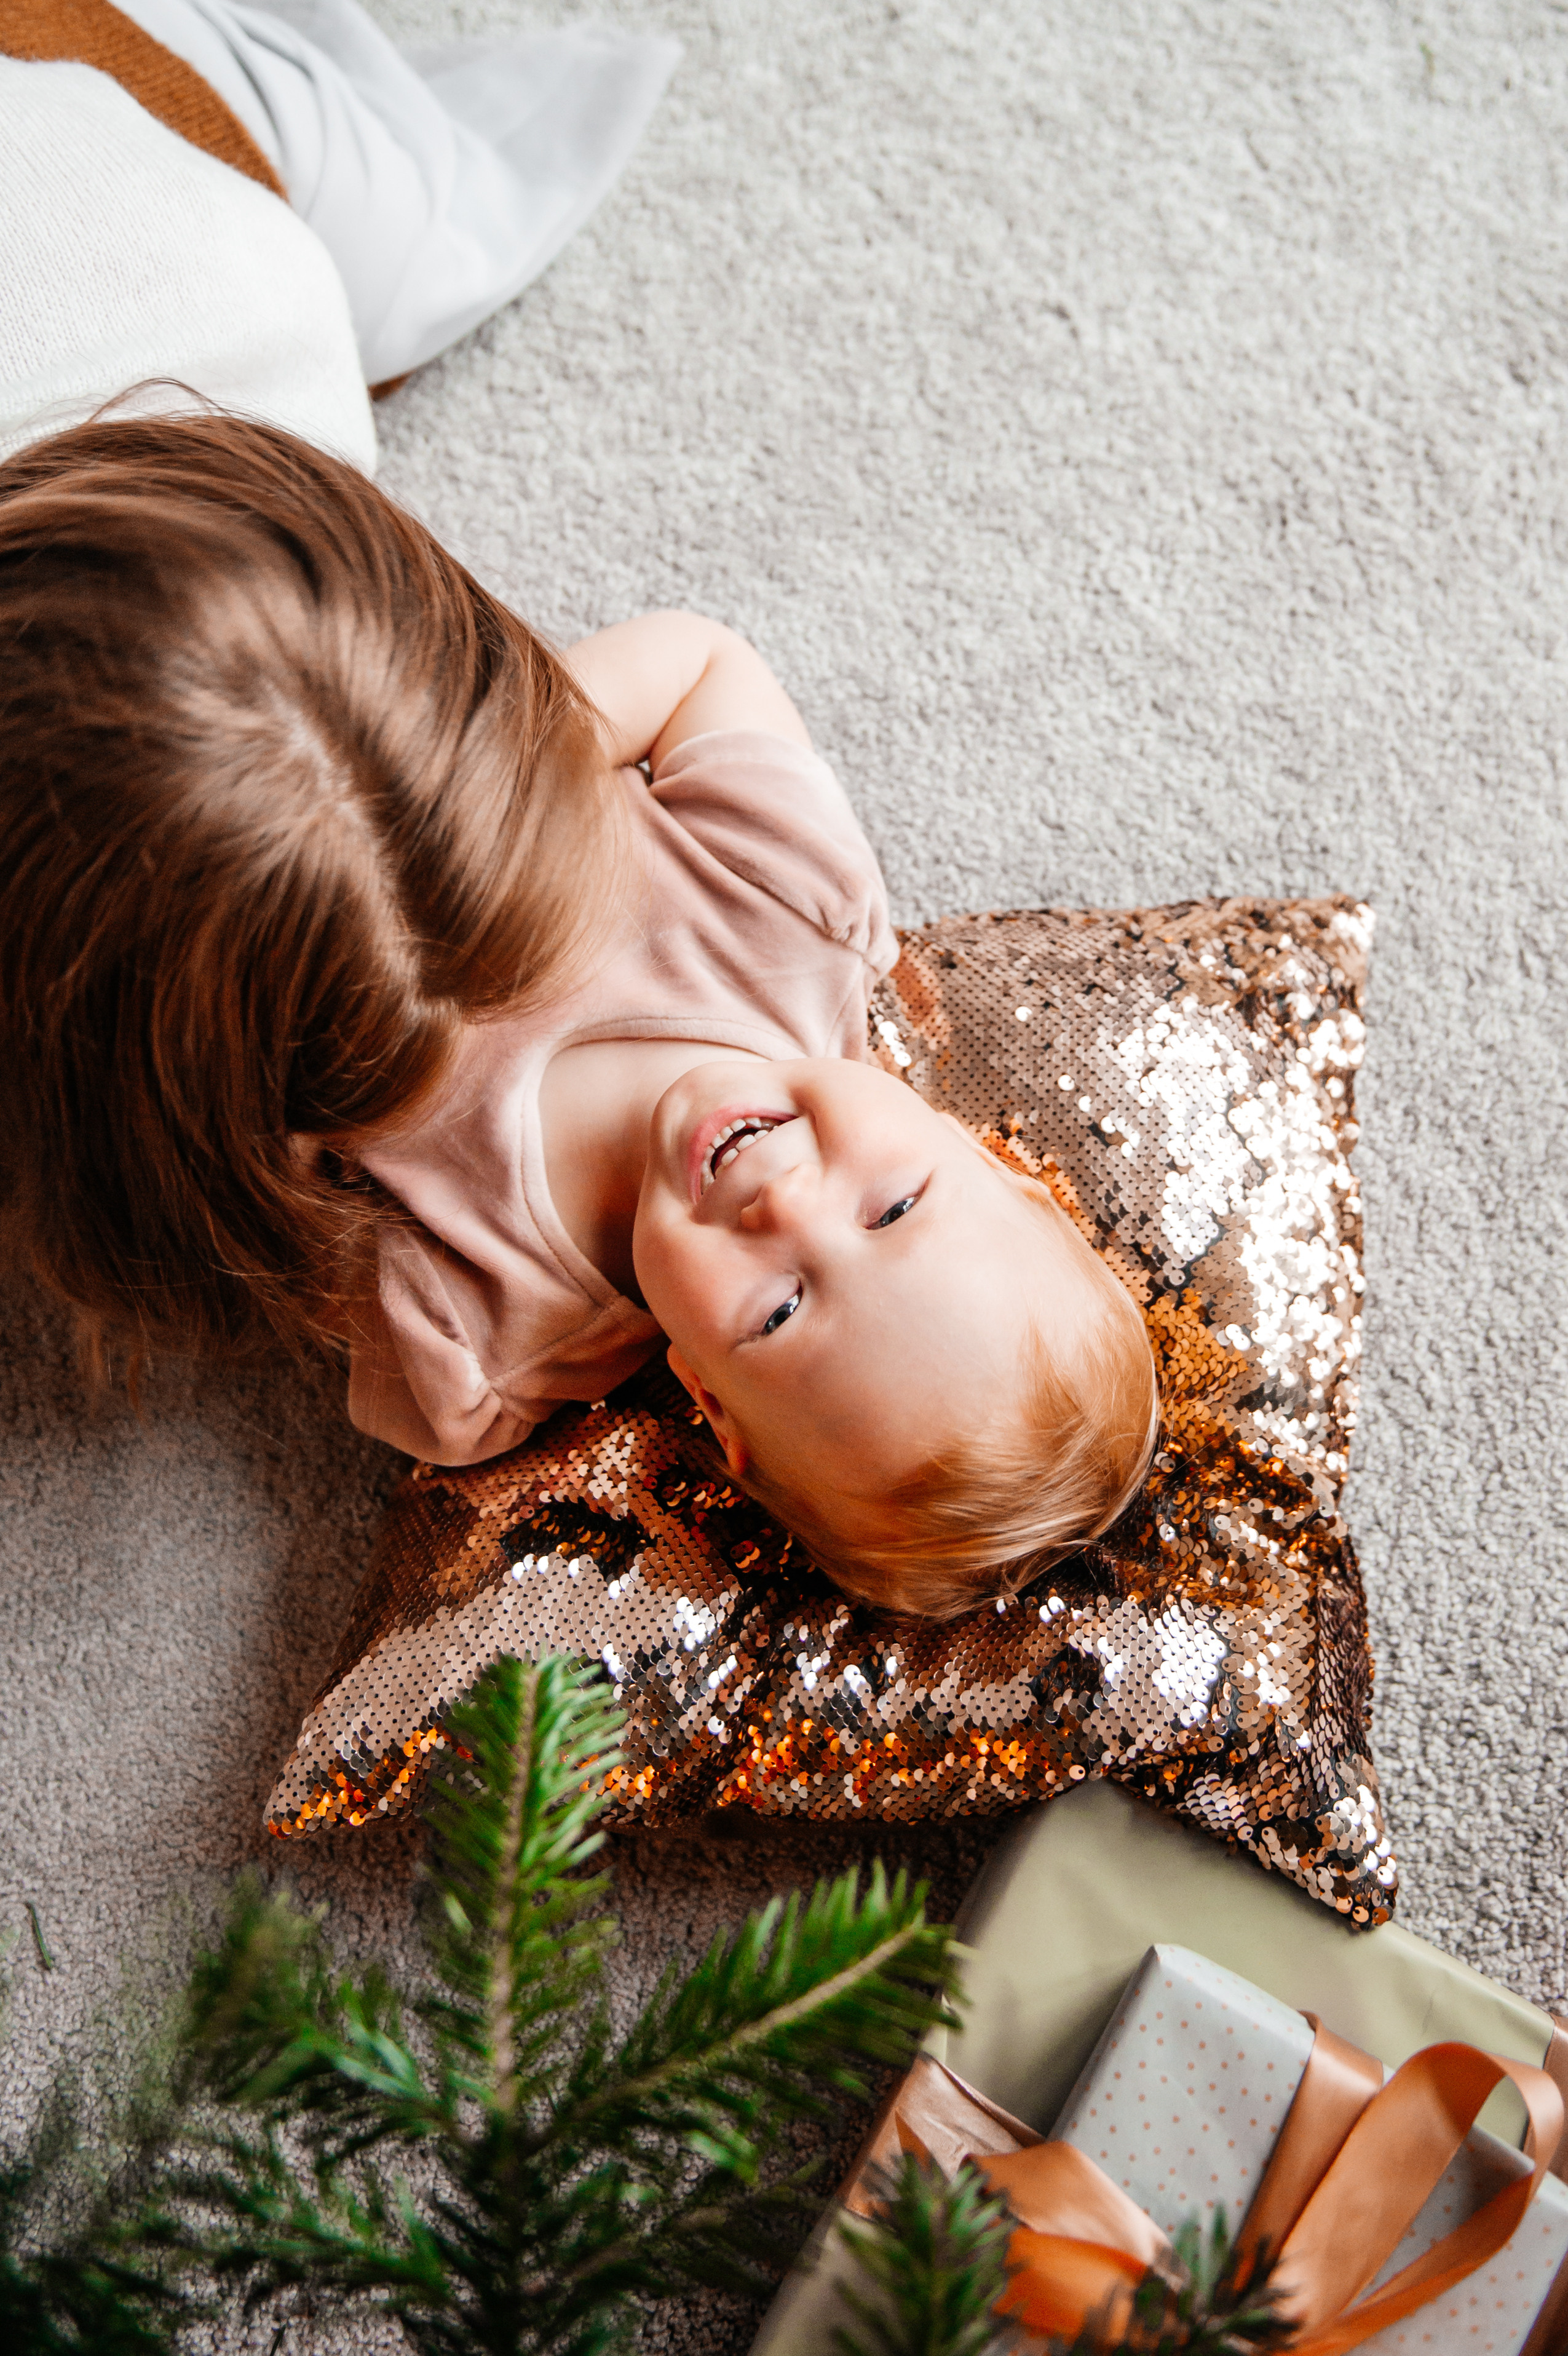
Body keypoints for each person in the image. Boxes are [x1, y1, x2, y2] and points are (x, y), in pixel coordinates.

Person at [0, 413, 1158, 1619]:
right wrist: (500, 774)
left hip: (179, 941)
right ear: (995, 1154)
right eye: (895, 1204)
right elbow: (702, 661)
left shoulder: (483, 1345)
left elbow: (253, 1212)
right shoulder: (798, 916)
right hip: (373, 730)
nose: (786, 1205)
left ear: (711, 1404)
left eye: (778, 1307)